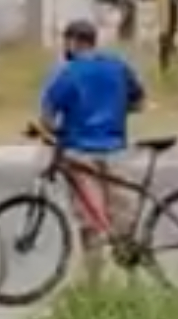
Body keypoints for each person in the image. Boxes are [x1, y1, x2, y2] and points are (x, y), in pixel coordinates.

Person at [38, 18, 145, 281]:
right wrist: (116, 114)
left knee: (91, 220)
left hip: (80, 152)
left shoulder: (67, 72)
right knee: (123, 217)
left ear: (73, 42)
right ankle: (132, 278)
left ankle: (94, 283)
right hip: (116, 148)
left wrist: (54, 132)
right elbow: (139, 102)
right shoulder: (117, 66)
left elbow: (47, 118)